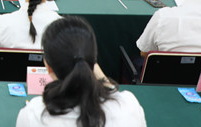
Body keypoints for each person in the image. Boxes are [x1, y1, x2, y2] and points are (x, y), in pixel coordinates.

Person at [16, 17, 146, 127]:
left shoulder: (33, 115)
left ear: (48, 66)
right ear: (94, 59)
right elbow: (113, 94)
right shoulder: (129, 107)